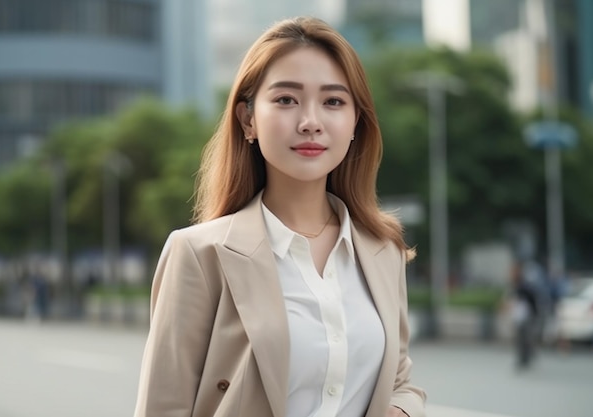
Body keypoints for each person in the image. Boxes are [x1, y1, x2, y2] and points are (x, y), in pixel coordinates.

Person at [133, 16, 426, 417]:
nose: (310, 122)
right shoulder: (199, 255)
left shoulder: (381, 250)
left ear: (356, 121)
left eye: (333, 101)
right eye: (286, 99)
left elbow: (400, 380)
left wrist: (401, 410)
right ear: (248, 119)